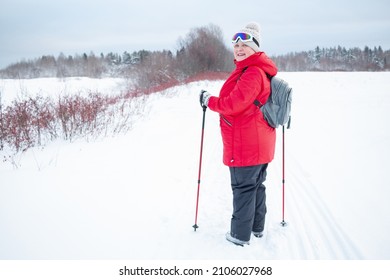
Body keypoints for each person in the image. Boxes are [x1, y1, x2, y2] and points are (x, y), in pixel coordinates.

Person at [199, 22, 278, 246]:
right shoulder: (253, 69)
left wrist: (209, 101)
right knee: (255, 186)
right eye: (236, 46)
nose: (239, 49)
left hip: (246, 143)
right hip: (258, 141)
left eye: (245, 44)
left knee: (243, 188)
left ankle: (239, 236)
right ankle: (257, 228)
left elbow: (234, 104)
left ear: (255, 48)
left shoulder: (252, 72)